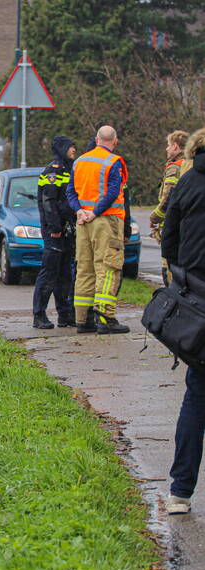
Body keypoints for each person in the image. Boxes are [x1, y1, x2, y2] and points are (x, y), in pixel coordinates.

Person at [160, 127, 205, 514]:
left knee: (196, 396)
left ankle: (180, 492)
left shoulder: (188, 181)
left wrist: (183, 277)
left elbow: (168, 238)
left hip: (197, 303)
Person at [65, 125, 130, 334]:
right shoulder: (113, 162)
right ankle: (106, 317)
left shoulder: (80, 161)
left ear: (96, 139)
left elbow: (71, 192)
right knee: (108, 267)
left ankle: (82, 320)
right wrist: (95, 212)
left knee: (84, 268)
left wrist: (79, 211)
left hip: (83, 222)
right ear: (115, 141)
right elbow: (112, 192)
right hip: (106, 221)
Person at [32, 136, 78, 329]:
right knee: (49, 273)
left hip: (67, 230)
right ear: (61, 148)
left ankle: (65, 314)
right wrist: (55, 228)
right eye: (70, 146)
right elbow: (48, 201)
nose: (74, 149)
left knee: (65, 274)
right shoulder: (53, 170)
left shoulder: (69, 169)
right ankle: (39, 315)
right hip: (55, 231)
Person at [150, 130, 189, 284]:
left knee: (170, 272)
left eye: (168, 145)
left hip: (173, 226)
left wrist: (154, 217)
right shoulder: (193, 165)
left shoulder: (174, 168)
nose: (166, 149)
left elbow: (168, 198)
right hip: (189, 226)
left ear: (175, 146)